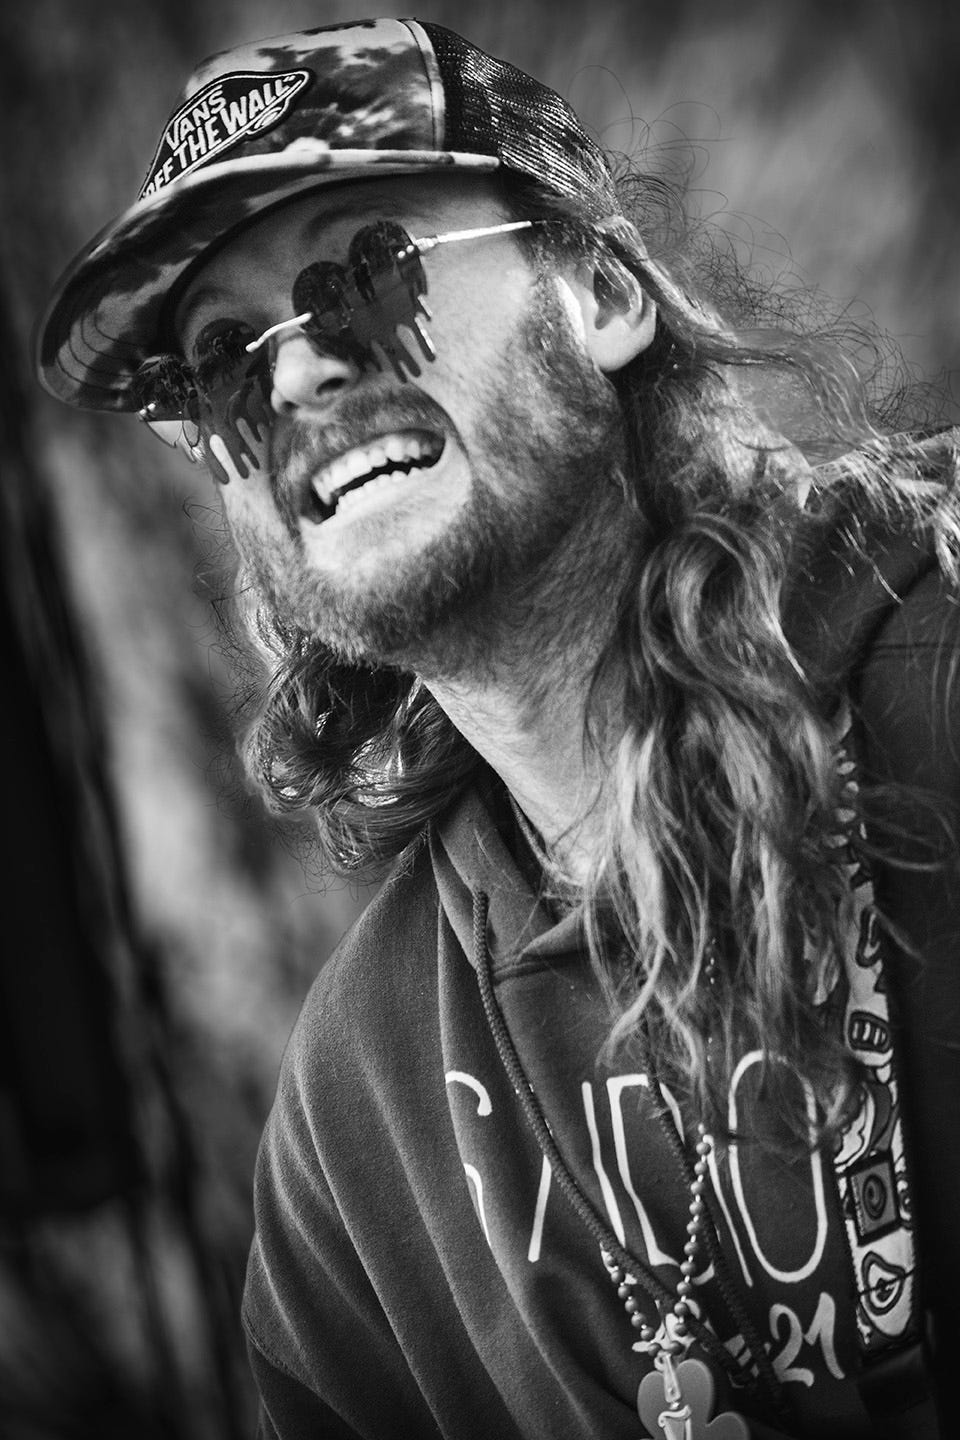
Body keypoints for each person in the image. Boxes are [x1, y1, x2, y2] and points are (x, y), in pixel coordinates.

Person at [36, 17, 958, 1440]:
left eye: (369, 270)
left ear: (601, 291)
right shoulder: (357, 1130)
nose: (295, 377)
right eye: (220, 362)